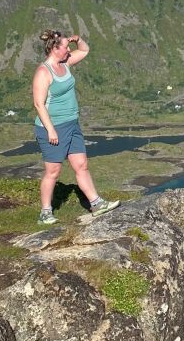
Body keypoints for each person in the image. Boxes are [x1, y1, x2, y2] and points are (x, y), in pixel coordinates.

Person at [32, 29, 119, 224]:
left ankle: (96, 203)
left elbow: (85, 51)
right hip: (53, 127)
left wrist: (78, 39)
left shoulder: (66, 63)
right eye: (65, 47)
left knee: (81, 165)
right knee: (53, 171)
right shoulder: (44, 72)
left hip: (72, 124)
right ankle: (45, 212)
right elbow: (39, 104)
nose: (68, 50)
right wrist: (51, 130)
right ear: (54, 49)